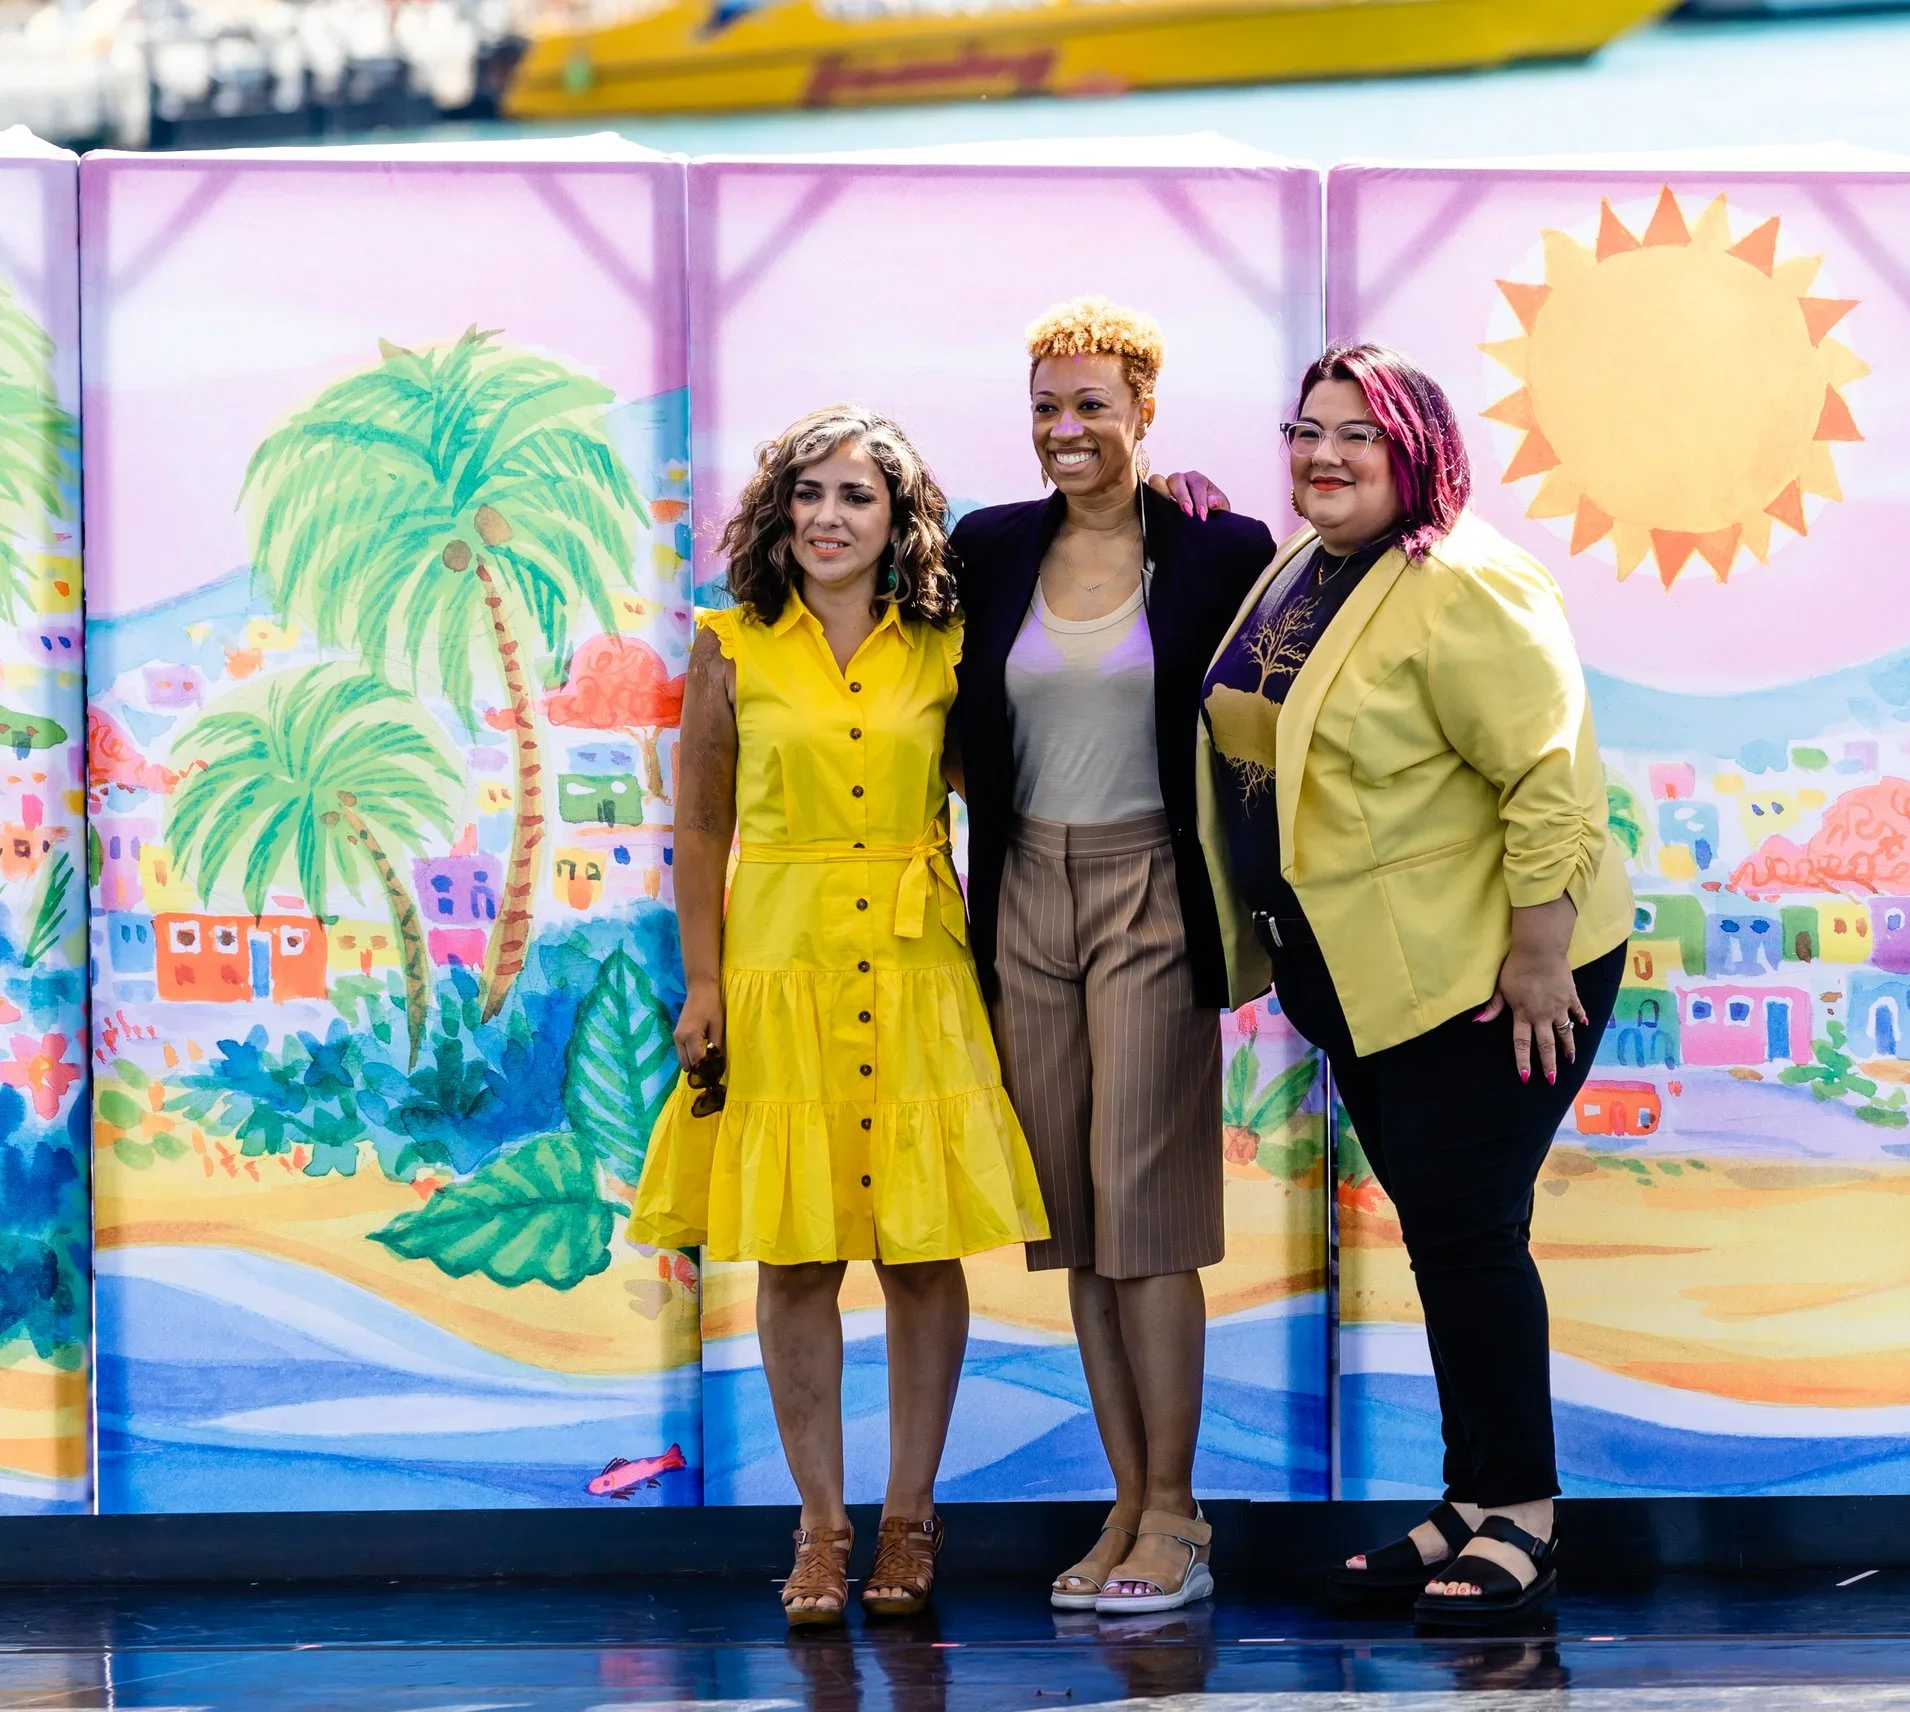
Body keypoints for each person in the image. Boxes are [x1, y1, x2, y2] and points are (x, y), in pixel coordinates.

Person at [1197, 342, 1633, 1624]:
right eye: (1308, 429)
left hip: (1489, 973)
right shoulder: (1307, 566)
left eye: (1360, 436)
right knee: (1446, 1237)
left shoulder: (1468, 582)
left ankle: (1525, 1513)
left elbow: (1552, 771)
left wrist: (1542, 947)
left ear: (1418, 451)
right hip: (1365, 974)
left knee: (1470, 1234)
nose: (1324, 455)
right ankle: (1470, 1493)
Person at [631, 405, 1050, 1628]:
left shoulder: (947, 641)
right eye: (808, 493)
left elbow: (1007, 783)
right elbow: (700, 824)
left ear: (896, 515)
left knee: (922, 1250)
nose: (828, 516)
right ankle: (820, 1526)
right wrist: (703, 983)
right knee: (798, 1251)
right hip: (781, 961)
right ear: (779, 511)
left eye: (855, 495)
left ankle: (910, 1519)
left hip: (917, 966)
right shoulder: (733, 643)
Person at [951, 298, 1276, 1614]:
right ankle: (1126, 1499)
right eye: (1045, 406)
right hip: (1023, 889)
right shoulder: (987, 548)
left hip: (1153, 881)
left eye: (1091, 403)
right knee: (1077, 1227)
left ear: (1146, 410)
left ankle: (1177, 1518)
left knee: (1147, 1219)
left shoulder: (1218, 543)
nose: (1064, 428)